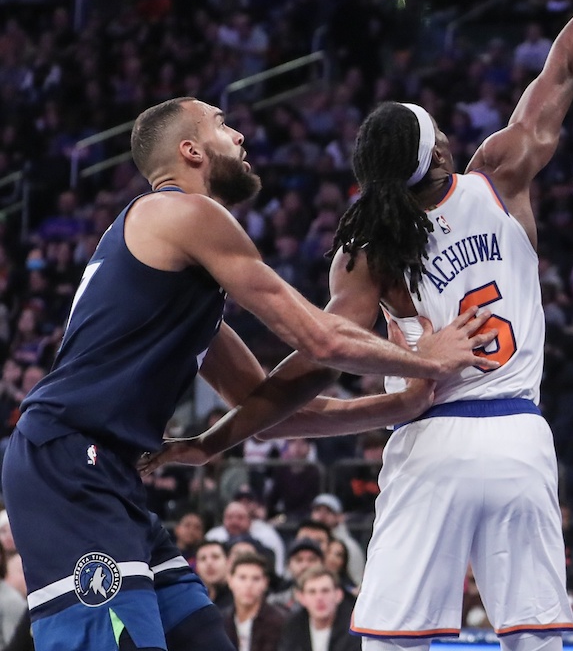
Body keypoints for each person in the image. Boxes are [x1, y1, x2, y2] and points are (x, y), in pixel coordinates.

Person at [147, 0, 573, 651]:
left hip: (431, 439)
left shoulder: (367, 247)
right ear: (444, 149)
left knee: (396, 644)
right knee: (536, 641)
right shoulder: (499, 174)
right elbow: (564, 69)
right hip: (520, 439)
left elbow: (310, 367)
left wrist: (224, 432)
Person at [0, 96, 492, 651]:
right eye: (222, 125)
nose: (239, 137)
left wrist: (397, 406)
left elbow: (271, 410)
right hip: (67, 461)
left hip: (112, 475)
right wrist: (431, 359)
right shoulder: (183, 212)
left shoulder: (181, 287)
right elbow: (319, 337)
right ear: (190, 150)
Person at [278, 567, 359, 651]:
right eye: (312, 592)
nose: (319, 598)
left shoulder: (353, 628)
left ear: (338, 595)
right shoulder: (292, 627)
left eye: (325, 591)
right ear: (301, 597)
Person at [223, 553, 286, 651]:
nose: (249, 585)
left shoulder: (279, 622)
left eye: (256, 579)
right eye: (242, 578)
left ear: (265, 583)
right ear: (230, 581)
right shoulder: (221, 622)